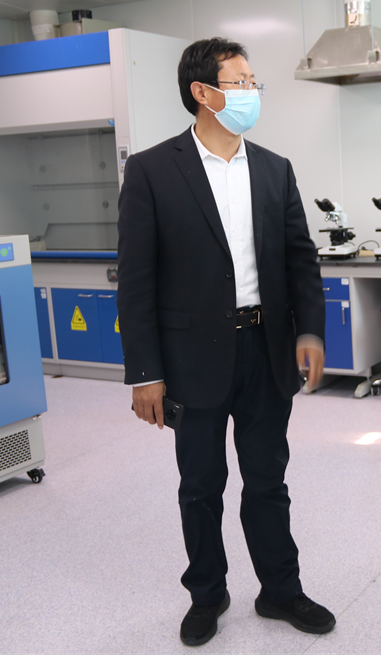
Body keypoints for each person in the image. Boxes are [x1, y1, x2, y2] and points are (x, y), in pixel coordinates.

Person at [117, 37, 334, 647]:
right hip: (192, 359)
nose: (252, 93)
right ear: (203, 93)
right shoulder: (153, 171)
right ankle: (207, 595)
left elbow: (301, 259)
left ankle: (280, 590)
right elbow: (136, 281)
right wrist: (144, 373)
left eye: (252, 82)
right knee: (200, 486)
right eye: (240, 82)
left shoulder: (274, 168)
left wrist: (310, 329)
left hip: (265, 350)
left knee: (268, 480)